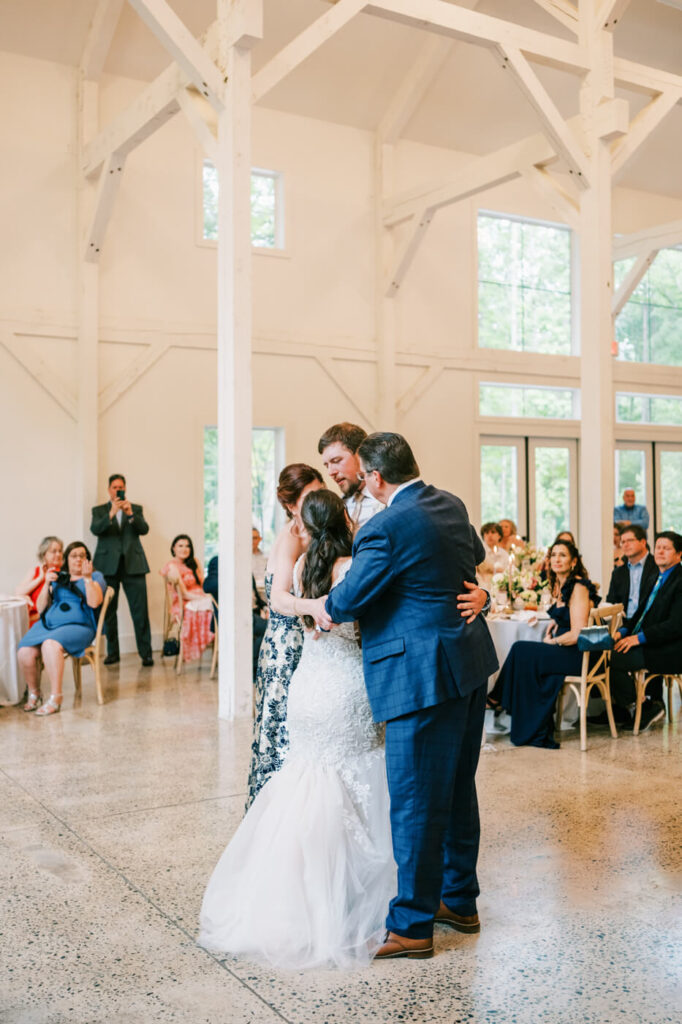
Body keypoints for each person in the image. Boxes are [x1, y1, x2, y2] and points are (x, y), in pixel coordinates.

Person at [306, 432, 496, 961]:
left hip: (419, 677)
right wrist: (478, 592)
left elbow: (348, 600)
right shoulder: (450, 503)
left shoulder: (384, 527)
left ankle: (412, 924)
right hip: (468, 664)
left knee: (414, 798)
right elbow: (472, 557)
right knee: (458, 786)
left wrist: (318, 604)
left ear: (374, 476)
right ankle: (459, 900)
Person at [200, 489, 395, 969]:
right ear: (344, 521)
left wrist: (308, 609)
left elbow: (280, 600)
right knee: (354, 782)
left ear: (306, 528)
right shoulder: (349, 568)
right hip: (346, 686)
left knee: (308, 780)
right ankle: (346, 902)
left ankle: (296, 893)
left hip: (309, 686)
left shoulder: (304, 564)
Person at [244, 463, 324, 810]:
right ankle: (274, 817)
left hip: (310, 644)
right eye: (309, 496)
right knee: (280, 731)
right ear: (291, 504)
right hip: (285, 646)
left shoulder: (320, 531)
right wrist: (317, 606)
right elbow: (277, 598)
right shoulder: (292, 535)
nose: (318, 500)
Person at [489, 540, 598, 749]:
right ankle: (501, 702)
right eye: (554, 555)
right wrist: (557, 621)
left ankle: (498, 700)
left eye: (563, 555)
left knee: (521, 650)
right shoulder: (561, 585)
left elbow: (577, 633)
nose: (557, 559)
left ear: (574, 561)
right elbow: (570, 615)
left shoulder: (578, 587)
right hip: (566, 650)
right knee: (523, 653)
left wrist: (554, 640)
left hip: (577, 654)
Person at [17, 542, 105, 716]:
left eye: (82, 555)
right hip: (50, 625)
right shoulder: (59, 577)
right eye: (74, 555)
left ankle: (56, 698)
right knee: (25, 651)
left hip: (79, 627)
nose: (78, 559)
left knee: (50, 644)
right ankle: (34, 693)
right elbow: (41, 608)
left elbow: (94, 602)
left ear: (88, 559)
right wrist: (45, 584)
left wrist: (87, 579)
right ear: (67, 560)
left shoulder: (96, 577)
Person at [608, 531, 682, 732]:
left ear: (679, 554)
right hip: (650, 641)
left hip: (669, 648)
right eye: (658, 547)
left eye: (666, 548)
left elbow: (676, 625)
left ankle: (642, 706)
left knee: (612, 658)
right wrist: (622, 632)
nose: (660, 552)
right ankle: (642, 705)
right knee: (604, 650)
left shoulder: (679, 580)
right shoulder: (655, 578)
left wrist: (638, 639)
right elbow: (640, 614)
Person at [90, 473, 153, 667]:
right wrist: (111, 513)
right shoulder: (99, 510)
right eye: (114, 487)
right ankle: (112, 653)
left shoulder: (135, 509)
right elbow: (96, 529)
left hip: (133, 565)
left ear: (125, 488)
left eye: (121, 487)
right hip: (108, 567)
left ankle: (146, 654)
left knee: (140, 611)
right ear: (109, 490)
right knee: (109, 612)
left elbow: (144, 530)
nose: (118, 490)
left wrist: (130, 514)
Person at [318, 422, 383, 532]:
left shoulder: (387, 500)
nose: (330, 472)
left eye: (336, 461)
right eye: (327, 465)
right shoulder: (338, 506)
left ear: (361, 455)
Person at [160, 535, 213, 663]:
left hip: (200, 596)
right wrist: (203, 597)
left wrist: (207, 595)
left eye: (187, 546)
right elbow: (183, 594)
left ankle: (220, 647)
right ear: (173, 548)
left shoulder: (194, 562)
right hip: (183, 601)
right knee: (206, 610)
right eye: (180, 546)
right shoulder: (172, 566)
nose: (184, 549)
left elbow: (203, 583)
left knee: (216, 607)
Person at [15, 536, 63, 626]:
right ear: (44, 554)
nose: (58, 554)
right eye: (54, 551)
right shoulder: (35, 571)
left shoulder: (62, 574)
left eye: (60, 551)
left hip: (46, 620)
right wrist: (40, 578)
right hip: (29, 620)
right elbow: (18, 592)